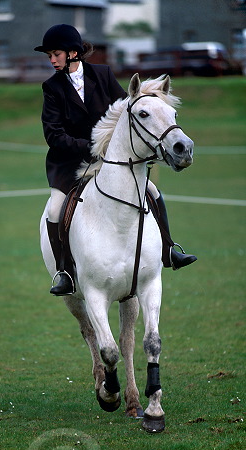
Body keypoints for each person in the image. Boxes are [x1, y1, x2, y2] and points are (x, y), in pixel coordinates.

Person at [35, 24, 196, 296]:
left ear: (73, 53)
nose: (52, 59)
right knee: (54, 209)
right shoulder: (51, 87)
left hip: (112, 160)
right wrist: (91, 147)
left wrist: (124, 147)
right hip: (71, 164)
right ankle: (64, 271)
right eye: (49, 55)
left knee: (153, 192)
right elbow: (54, 134)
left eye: (56, 54)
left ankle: (169, 250)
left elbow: (126, 113)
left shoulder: (103, 74)